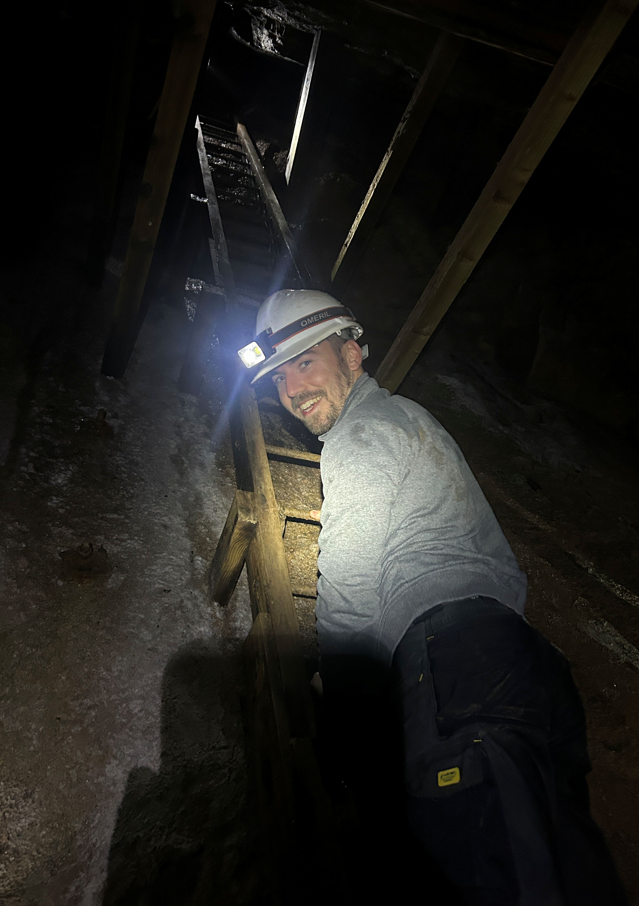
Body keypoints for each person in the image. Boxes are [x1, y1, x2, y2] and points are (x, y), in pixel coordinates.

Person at [239, 288, 628, 905]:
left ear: (352, 355)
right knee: (555, 867)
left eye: (304, 363)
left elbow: (350, 585)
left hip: (456, 664)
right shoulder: (411, 418)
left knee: (480, 874)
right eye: (279, 377)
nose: (291, 389)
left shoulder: (359, 437)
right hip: (523, 670)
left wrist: (338, 707)